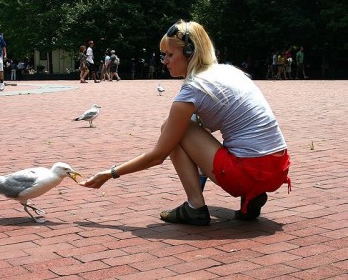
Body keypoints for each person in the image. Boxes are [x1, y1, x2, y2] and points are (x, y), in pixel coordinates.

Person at [81, 20, 291, 226]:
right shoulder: (229, 72)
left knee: (171, 128)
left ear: (190, 53)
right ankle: (251, 197)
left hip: (248, 173)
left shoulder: (194, 89)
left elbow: (158, 156)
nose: (165, 61)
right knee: (188, 126)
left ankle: (195, 207)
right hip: (277, 170)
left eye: (170, 55)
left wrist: (110, 173)